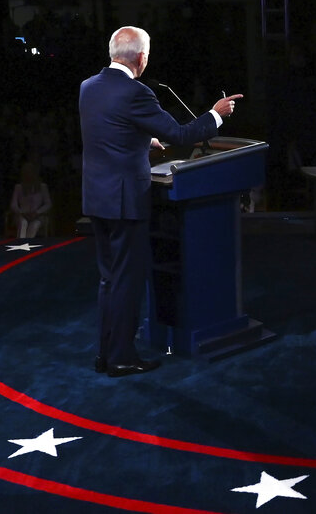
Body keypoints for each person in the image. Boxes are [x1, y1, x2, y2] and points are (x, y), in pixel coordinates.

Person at [79, 26, 243, 378]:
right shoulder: (137, 93)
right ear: (141, 57)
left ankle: (105, 353)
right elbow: (183, 135)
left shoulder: (88, 88)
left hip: (97, 198)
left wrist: (142, 140)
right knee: (127, 280)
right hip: (125, 201)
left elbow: (109, 132)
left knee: (109, 279)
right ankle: (121, 358)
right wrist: (216, 114)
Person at [9, 161, 52, 238]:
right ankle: (20, 244)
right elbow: (13, 204)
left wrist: (37, 212)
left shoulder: (42, 187)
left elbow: (48, 204)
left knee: (34, 225)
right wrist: (21, 212)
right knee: (23, 223)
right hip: (22, 215)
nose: (29, 175)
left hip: (38, 215)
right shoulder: (19, 187)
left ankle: (27, 245)